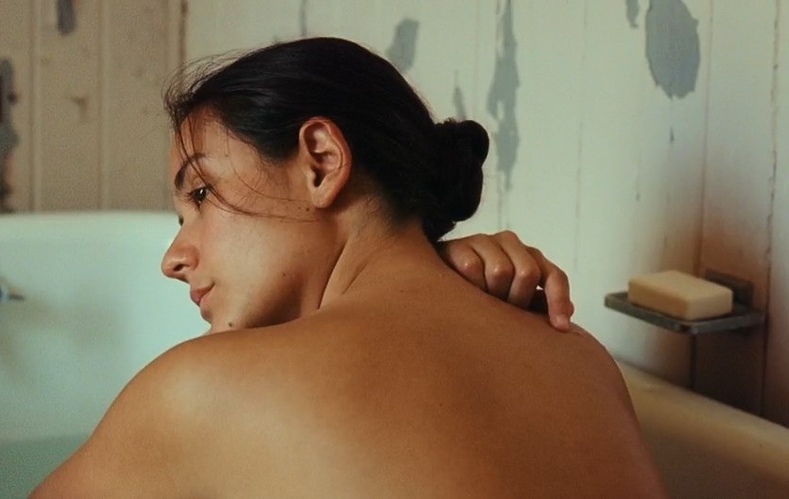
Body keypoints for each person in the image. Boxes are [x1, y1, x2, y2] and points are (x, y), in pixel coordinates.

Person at [33, 37, 664, 497]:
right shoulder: (582, 357)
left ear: (320, 162)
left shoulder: (203, 388)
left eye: (201, 194)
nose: (173, 258)